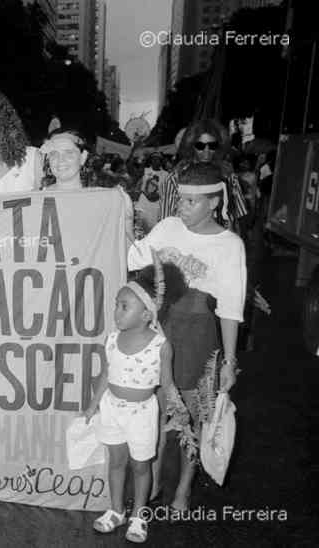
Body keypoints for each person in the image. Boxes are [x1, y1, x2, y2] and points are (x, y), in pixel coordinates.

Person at [128, 162, 246, 511]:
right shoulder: (167, 228)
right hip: (157, 332)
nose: (182, 208)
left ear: (214, 202)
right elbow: (132, 256)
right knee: (154, 416)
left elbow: (230, 309)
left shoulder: (230, 246)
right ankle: (148, 485)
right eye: (180, 200)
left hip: (197, 338)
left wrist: (228, 360)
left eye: (191, 202)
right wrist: (119, 219)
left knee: (191, 421)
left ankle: (183, 488)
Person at [83, 259, 185, 543]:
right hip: (112, 409)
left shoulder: (160, 346)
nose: (116, 311)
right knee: (116, 461)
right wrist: (93, 405)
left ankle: (139, 516)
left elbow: (166, 383)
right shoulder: (112, 340)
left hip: (142, 414)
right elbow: (106, 374)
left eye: (124, 306)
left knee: (141, 466)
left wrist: (176, 405)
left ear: (145, 315)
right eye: (117, 304)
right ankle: (115, 510)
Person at [40, 129, 135, 246]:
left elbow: (128, 253)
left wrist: (126, 220)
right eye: (54, 153)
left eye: (68, 153)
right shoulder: (37, 200)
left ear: (83, 157)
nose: (61, 160)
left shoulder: (105, 199)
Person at [158, 120, 248, 231]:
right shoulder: (175, 178)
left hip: (220, 242)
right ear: (191, 146)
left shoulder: (227, 175)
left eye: (212, 145)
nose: (207, 151)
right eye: (200, 146)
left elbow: (237, 215)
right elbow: (165, 221)